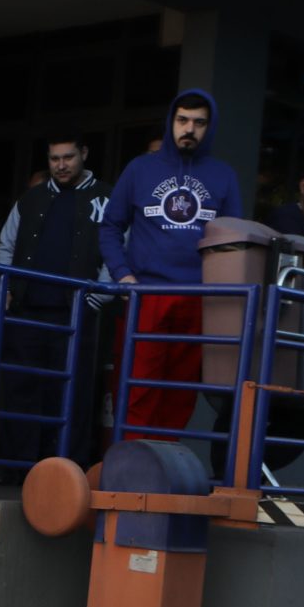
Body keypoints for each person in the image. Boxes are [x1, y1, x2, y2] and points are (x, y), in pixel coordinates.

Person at [97, 89, 245, 438]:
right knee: (136, 387)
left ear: (210, 127)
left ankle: (161, 475)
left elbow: (233, 241)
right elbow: (109, 226)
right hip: (145, 295)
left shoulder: (223, 175)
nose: (189, 129)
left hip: (198, 299)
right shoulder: (140, 168)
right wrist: (123, 276)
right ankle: (129, 475)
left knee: (180, 394)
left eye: (198, 122)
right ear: (171, 122)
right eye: (182, 120)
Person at [0, 131, 109, 466]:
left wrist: (95, 301)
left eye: (68, 157)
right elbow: (6, 246)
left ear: (84, 153)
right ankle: (18, 468)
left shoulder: (106, 198)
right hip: (27, 312)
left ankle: (65, 469)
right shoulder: (31, 199)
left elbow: (119, 253)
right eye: (54, 159)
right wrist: (6, 290)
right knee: (20, 390)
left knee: (71, 395)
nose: (61, 165)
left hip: (75, 313)